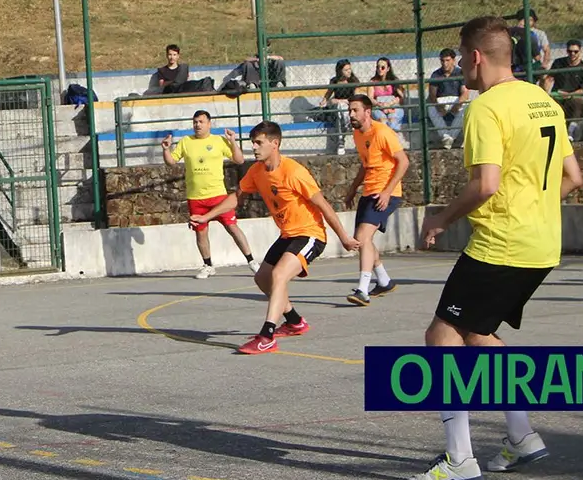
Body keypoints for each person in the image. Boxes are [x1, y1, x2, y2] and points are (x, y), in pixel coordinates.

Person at [411, 16, 583, 480]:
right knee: (476, 334)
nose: (461, 65)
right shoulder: (543, 101)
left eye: (462, 56)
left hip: (500, 243)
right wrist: (533, 206)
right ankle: (522, 435)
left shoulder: (487, 108)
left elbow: (485, 185)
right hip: (542, 244)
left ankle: (460, 457)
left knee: (441, 334)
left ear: (476, 57)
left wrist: (441, 218)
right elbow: (574, 177)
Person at [188, 122, 360, 355]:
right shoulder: (257, 171)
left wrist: (345, 238)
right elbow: (236, 198)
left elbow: (324, 206)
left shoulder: (294, 172)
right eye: (253, 143)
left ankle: (267, 335)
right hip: (288, 234)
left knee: (279, 275)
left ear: (274, 144)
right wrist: (206, 216)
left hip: (310, 234)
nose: (254, 148)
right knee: (263, 279)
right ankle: (294, 321)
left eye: (259, 143)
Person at [161, 110, 259, 278]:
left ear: (209, 124)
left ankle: (251, 261)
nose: (197, 125)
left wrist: (233, 142)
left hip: (218, 195)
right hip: (196, 197)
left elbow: (240, 160)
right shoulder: (186, 142)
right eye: (195, 122)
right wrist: (166, 149)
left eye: (200, 122)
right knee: (201, 232)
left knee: (232, 227)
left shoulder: (219, 141)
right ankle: (208, 265)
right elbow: (171, 162)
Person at [342, 95, 409, 306]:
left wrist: (388, 192)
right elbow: (366, 164)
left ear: (367, 112)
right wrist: (353, 189)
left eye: (355, 110)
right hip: (369, 191)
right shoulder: (357, 134)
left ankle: (362, 289)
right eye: (350, 110)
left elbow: (404, 162)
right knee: (364, 240)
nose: (351, 114)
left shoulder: (383, 133)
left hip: (385, 193)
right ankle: (384, 281)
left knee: (362, 238)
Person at [426, 48, 469, 149]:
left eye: (447, 60)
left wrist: (457, 104)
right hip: (441, 100)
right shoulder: (436, 74)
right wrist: (438, 107)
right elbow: (432, 95)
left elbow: (465, 93)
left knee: (466, 107)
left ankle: (449, 138)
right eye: (442, 60)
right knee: (431, 108)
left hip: (456, 99)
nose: (445, 63)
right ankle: (446, 136)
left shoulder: (460, 72)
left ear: (453, 60)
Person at [545, 40, 583, 141]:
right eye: (570, 51)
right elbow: (549, 79)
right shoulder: (558, 63)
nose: (572, 54)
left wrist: (570, 94)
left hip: (573, 95)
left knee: (578, 101)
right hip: (557, 93)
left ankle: (571, 130)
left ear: (580, 51)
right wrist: (546, 93)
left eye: (575, 51)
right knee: (550, 102)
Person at [367, 57, 405, 134]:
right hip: (378, 106)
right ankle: (386, 142)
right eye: (378, 67)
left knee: (392, 120)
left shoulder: (394, 81)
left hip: (393, 105)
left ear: (388, 69)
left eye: (383, 67)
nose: (380, 69)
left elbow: (401, 97)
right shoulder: (372, 81)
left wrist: (390, 105)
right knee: (382, 121)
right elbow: (370, 98)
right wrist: (380, 105)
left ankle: (391, 143)